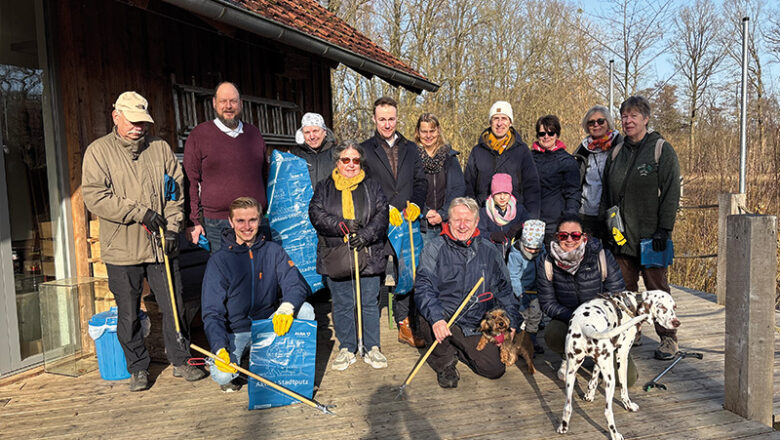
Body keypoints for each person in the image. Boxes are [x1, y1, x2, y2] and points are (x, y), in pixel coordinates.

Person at [82, 91, 205, 391]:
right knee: (128, 311)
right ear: (116, 116)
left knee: (174, 304)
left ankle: (180, 360)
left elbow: (175, 192)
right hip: (122, 248)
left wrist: (175, 228)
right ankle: (137, 368)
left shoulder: (160, 149)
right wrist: (139, 213)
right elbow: (95, 197)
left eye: (143, 122)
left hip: (160, 244)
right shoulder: (98, 152)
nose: (139, 127)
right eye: (133, 121)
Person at [201, 197, 314, 392]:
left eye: (252, 220)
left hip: (268, 324)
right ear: (230, 222)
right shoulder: (219, 261)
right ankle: (240, 361)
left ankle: (281, 365)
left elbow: (295, 284)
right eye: (240, 221)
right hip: (236, 332)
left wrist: (286, 308)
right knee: (222, 375)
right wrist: (220, 348)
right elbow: (212, 313)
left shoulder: (273, 251)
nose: (247, 226)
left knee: (305, 310)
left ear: (260, 220)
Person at [600, 96, 681, 360]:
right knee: (624, 288)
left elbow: (671, 192)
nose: (628, 120)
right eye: (624, 116)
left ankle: (668, 338)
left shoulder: (660, 149)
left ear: (645, 119)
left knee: (657, 289)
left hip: (651, 236)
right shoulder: (617, 151)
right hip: (622, 236)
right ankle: (631, 331)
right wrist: (608, 228)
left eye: (634, 116)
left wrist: (664, 229)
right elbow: (607, 193)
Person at [415, 197, 521, 388]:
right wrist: (437, 318)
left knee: (494, 369)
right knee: (427, 315)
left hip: (475, 322)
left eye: (468, 220)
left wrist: (511, 319)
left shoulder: (489, 251)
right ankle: (445, 360)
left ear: (476, 222)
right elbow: (423, 286)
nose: (462, 226)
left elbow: (504, 289)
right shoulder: (434, 248)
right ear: (448, 221)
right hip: (445, 317)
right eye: (457, 220)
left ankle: (457, 347)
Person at [309, 141, 389, 370]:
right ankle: (347, 347)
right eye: (346, 160)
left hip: (368, 252)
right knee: (343, 303)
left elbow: (382, 214)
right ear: (338, 162)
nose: (351, 165)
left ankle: (372, 347)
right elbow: (316, 213)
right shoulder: (325, 187)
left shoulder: (372, 186)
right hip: (336, 254)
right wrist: (342, 226)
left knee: (369, 303)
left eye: (356, 160)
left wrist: (365, 235)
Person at [536, 214, 637, 387]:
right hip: (568, 319)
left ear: (584, 237)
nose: (569, 240)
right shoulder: (546, 262)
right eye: (563, 236)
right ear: (557, 237)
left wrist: (594, 321)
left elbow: (617, 294)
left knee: (626, 379)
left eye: (575, 235)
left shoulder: (601, 255)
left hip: (603, 323)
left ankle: (597, 355)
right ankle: (568, 356)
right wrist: (578, 319)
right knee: (552, 334)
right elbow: (547, 303)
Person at [360, 96, 427, 348]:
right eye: (382, 119)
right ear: (374, 119)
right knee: (376, 272)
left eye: (391, 119)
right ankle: (370, 327)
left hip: (407, 221)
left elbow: (420, 182)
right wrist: (384, 207)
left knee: (405, 272)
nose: (387, 124)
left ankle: (404, 323)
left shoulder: (411, 148)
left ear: (397, 119)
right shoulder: (365, 149)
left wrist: (417, 205)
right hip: (380, 221)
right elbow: (363, 186)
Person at [183, 82, 269, 253]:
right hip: (218, 224)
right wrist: (193, 222)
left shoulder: (254, 134)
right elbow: (189, 182)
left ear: (241, 103)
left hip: (255, 221)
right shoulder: (199, 135)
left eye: (233, 101)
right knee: (227, 276)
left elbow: (265, 175)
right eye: (223, 101)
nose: (228, 106)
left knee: (260, 275)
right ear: (214, 103)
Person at [464, 100, 540, 224]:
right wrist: (473, 213)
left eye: (504, 118)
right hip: (483, 216)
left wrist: (531, 219)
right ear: (490, 122)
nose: (500, 123)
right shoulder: (477, 151)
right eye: (496, 118)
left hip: (514, 217)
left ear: (510, 122)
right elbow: (468, 185)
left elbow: (531, 187)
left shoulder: (522, 150)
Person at [414, 113, 465, 245]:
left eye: (432, 131)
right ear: (418, 133)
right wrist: (426, 212)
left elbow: (458, 188)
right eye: (424, 131)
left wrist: (442, 214)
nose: (428, 135)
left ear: (438, 131)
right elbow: (408, 189)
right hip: (421, 225)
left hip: (447, 224)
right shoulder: (411, 158)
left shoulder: (450, 157)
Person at [530, 114, 581, 243]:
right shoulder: (527, 159)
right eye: (542, 134)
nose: (546, 137)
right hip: (530, 224)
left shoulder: (567, 161)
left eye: (550, 133)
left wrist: (569, 222)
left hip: (554, 225)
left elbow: (573, 194)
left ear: (557, 134)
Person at [574, 106, 622, 239]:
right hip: (586, 213)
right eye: (591, 122)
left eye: (600, 121)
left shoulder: (621, 147)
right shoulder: (582, 150)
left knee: (610, 256)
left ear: (608, 123)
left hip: (612, 213)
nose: (596, 125)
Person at [506, 219, 546, 354]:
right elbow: (513, 276)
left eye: (537, 248)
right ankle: (520, 343)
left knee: (535, 317)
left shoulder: (543, 252)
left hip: (537, 291)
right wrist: (519, 293)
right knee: (522, 318)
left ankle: (532, 341)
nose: (533, 251)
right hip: (521, 292)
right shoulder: (515, 254)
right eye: (530, 248)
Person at [477, 173, 524, 257]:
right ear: (493, 194)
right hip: (491, 256)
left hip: (514, 257)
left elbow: (530, 223)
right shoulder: (484, 212)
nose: (502, 197)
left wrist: (520, 227)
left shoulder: (519, 210)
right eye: (498, 194)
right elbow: (478, 233)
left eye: (506, 193)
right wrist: (491, 236)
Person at [290, 112, 338, 186]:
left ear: (324, 132)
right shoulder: (294, 155)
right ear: (302, 134)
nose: (312, 136)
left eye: (315, 131)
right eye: (307, 132)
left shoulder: (338, 153)